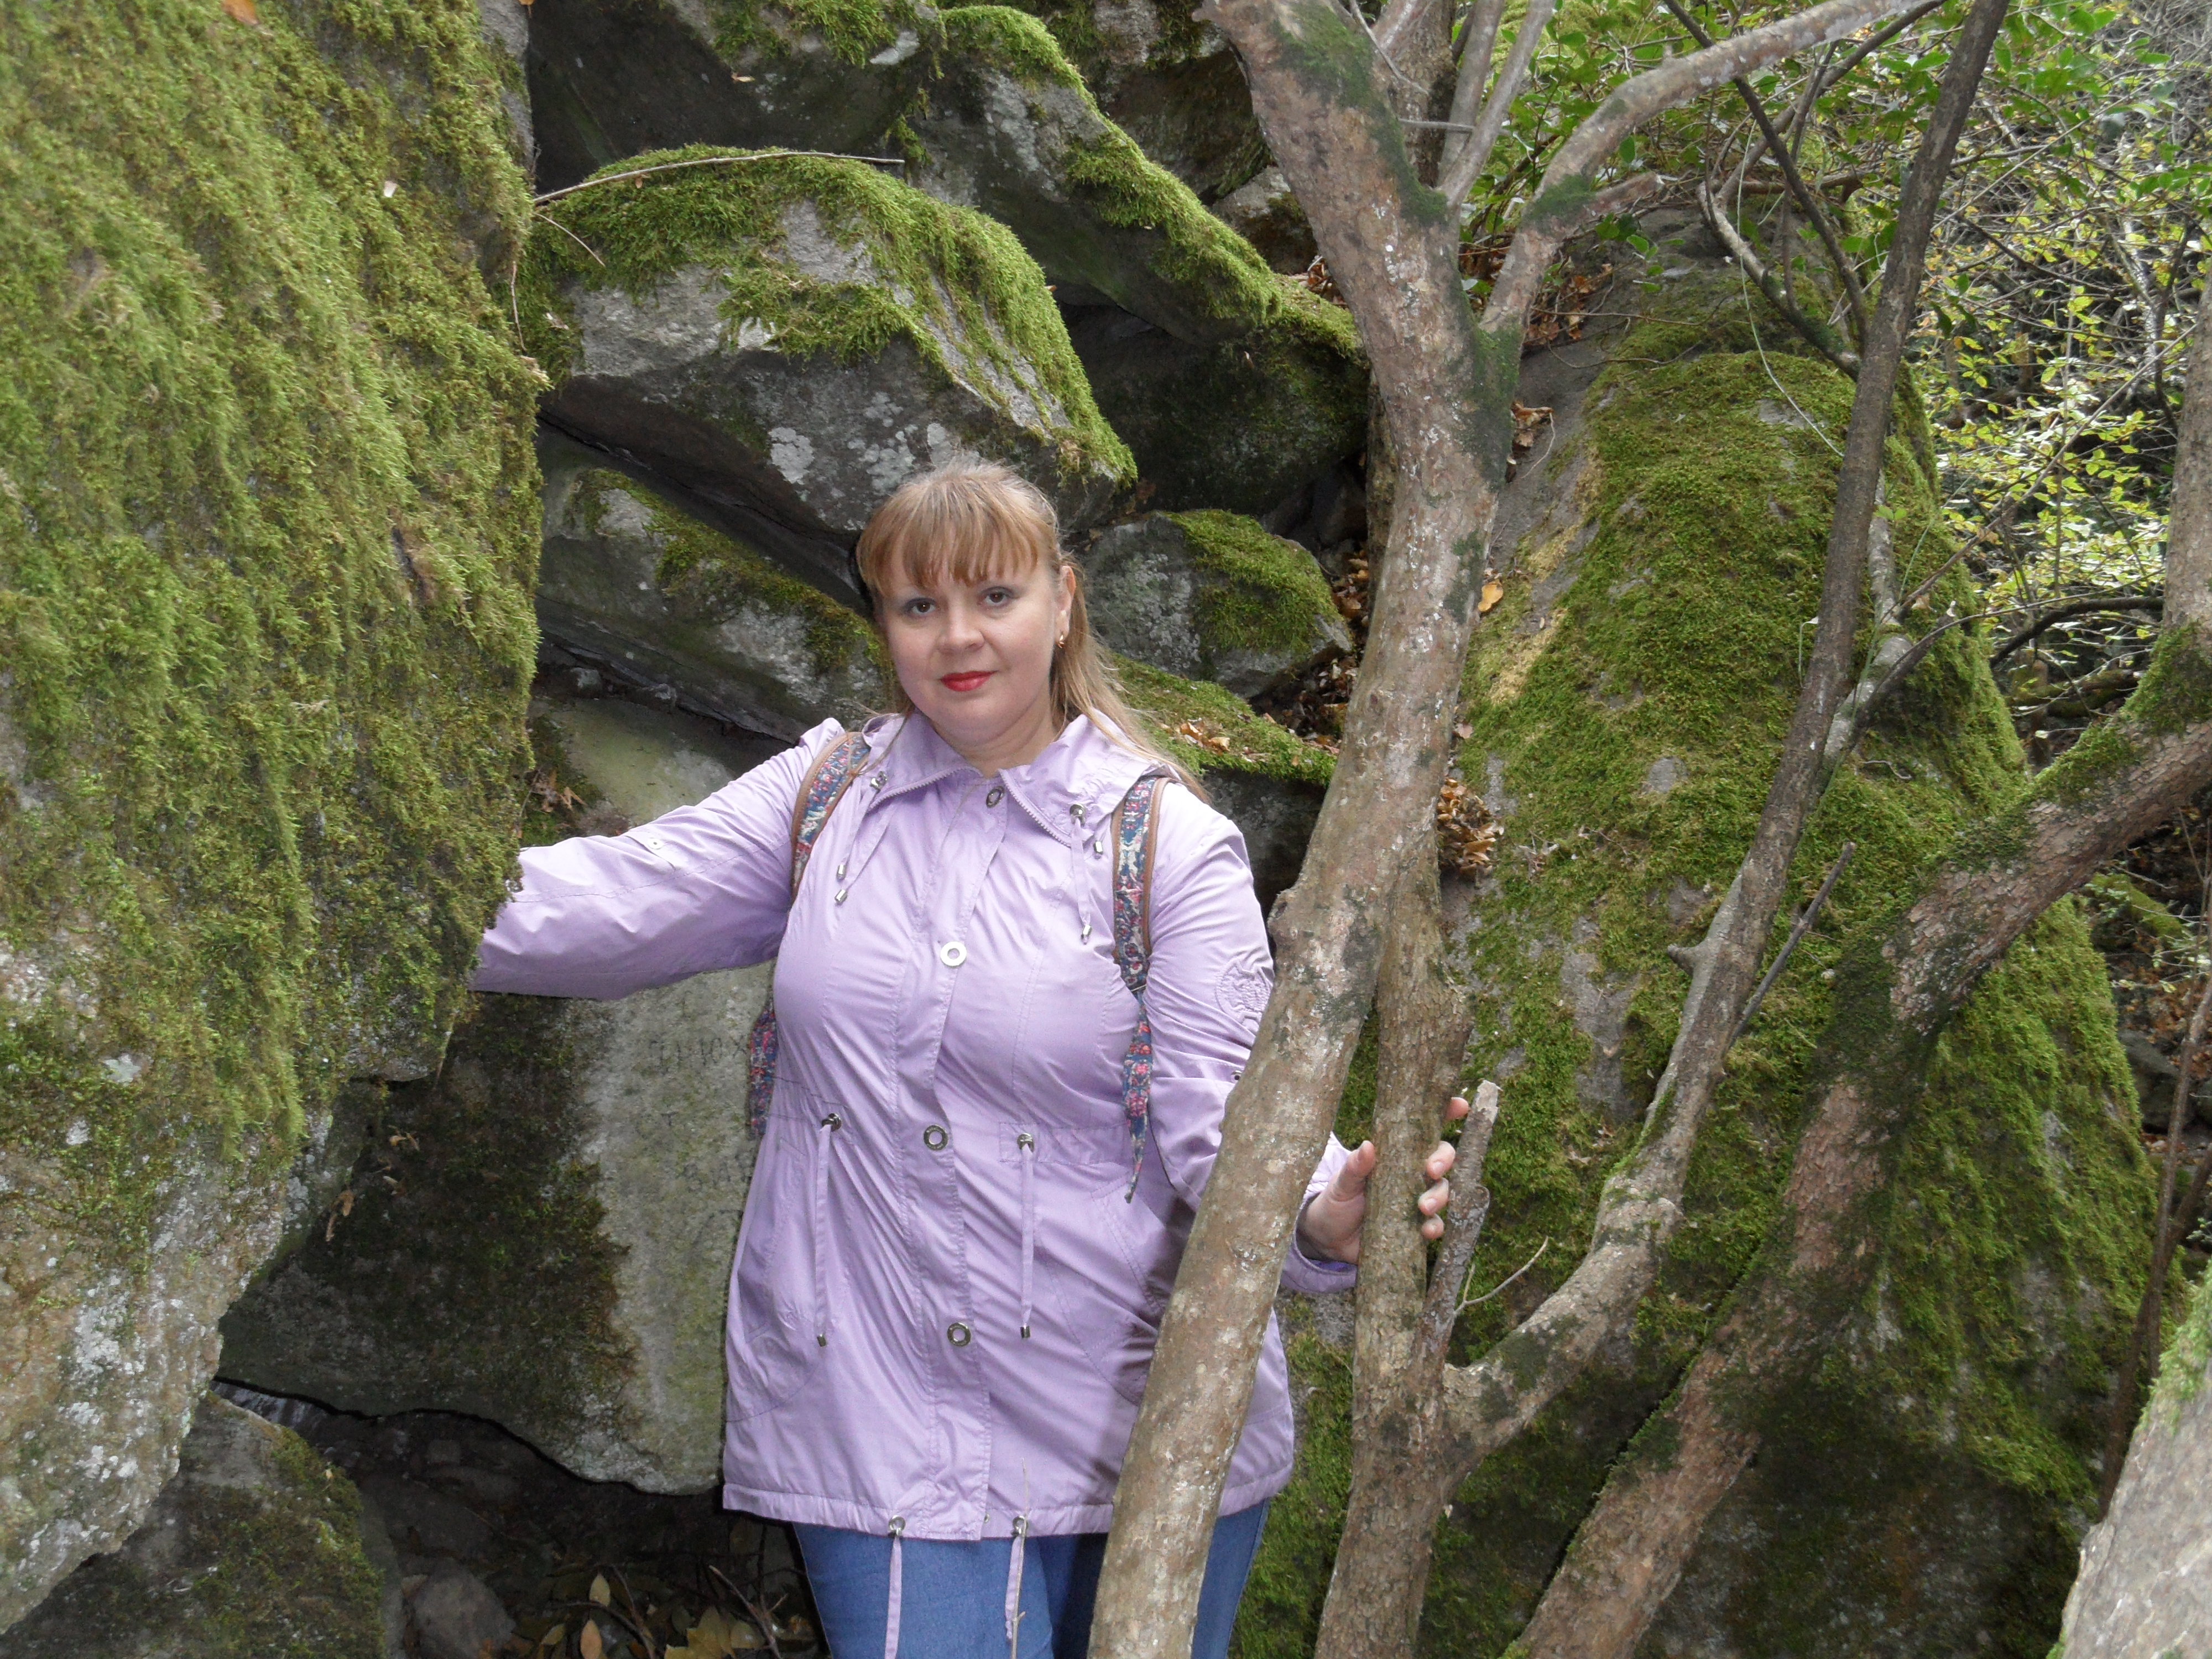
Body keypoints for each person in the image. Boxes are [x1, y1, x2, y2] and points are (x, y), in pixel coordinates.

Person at [473, 461, 1464, 1659]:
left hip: (1139, 1410)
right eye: (918, 605)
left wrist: (1319, 1215)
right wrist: (383, 906)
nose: (958, 637)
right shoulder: (825, 797)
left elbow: (1228, 1109)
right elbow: (616, 900)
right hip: (877, 1410)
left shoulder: (1166, 844)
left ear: (1062, 600)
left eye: (994, 597)